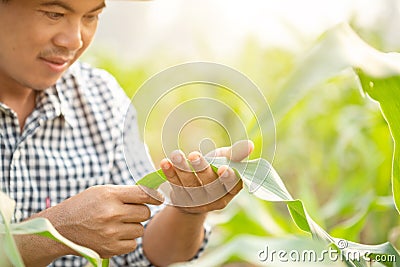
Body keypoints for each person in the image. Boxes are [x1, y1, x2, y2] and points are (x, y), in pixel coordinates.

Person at [0, 0, 254, 266]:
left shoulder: (102, 98)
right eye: (54, 14)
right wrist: (53, 234)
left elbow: (142, 248)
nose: (74, 40)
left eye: (91, 16)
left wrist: (188, 210)